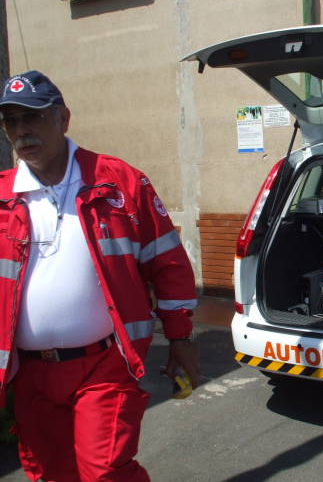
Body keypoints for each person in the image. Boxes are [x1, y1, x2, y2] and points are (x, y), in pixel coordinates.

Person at [0, 70, 199, 481]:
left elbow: (168, 263)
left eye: (33, 117)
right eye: (12, 121)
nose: (22, 131)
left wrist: (180, 339)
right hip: (28, 373)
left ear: (63, 118)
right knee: (50, 473)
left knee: (105, 470)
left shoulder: (120, 183)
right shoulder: (3, 195)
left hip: (104, 364)